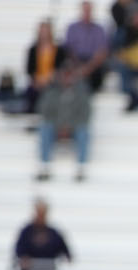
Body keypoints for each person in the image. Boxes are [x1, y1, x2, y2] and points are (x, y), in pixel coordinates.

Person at [36, 54, 93, 182]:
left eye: (70, 74)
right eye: (65, 74)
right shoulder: (52, 92)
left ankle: (81, 167)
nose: (67, 77)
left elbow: (86, 114)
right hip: (56, 128)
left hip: (74, 128)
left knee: (83, 131)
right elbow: (45, 112)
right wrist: (60, 126)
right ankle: (44, 166)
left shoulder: (81, 93)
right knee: (45, 128)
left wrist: (69, 127)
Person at [63, 1, 111, 91]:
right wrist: (78, 66)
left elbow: (103, 52)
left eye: (88, 11)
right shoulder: (72, 28)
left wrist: (88, 68)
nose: (86, 13)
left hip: (93, 64)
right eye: (85, 10)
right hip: (76, 62)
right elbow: (68, 50)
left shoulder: (99, 29)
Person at [24, 19, 58, 114]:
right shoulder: (33, 50)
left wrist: (50, 78)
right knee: (31, 93)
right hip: (37, 83)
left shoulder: (58, 50)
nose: (44, 34)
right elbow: (29, 69)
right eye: (42, 31)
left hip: (53, 83)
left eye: (46, 31)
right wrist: (38, 80)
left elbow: (60, 68)